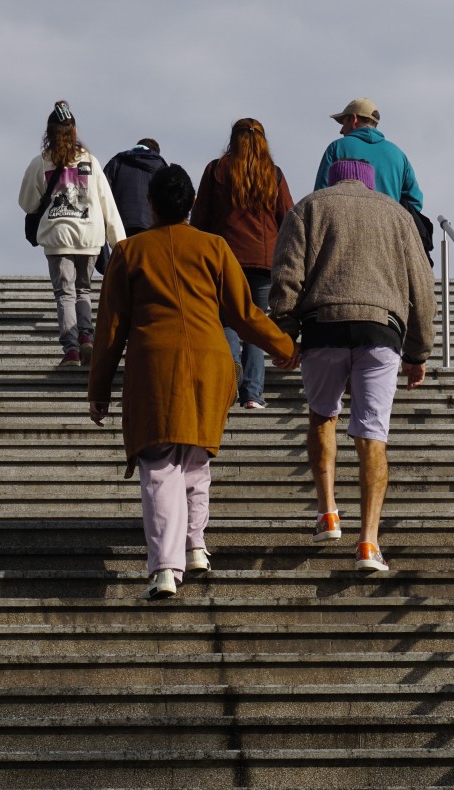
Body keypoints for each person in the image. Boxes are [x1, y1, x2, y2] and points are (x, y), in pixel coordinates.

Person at [87, 164, 299, 600]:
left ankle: (166, 568)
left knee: (160, 464)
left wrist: (99, 391)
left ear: (151, 205)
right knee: (196, 457)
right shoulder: (214, 247)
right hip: (211, 365)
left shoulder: (130, 253)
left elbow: (110, 330)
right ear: (189, 207)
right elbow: (244, 314)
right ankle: (196, 544)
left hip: (156, 368)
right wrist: (285, 347)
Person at [270, 158, 436, 572]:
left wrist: (286, 333)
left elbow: (287, 278)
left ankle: (328, 512)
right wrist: (418, 352)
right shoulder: (398, 215)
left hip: (322, 328)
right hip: (381, 332)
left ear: (332, 180)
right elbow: (423, 287)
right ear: (372, 182)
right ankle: (368, 543)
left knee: (322, 416)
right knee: (372, 433)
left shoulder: (307, 208)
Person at [192, 119, 295, 409]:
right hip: (264, 263)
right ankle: (253, 395)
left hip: (224, 260)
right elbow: (287, 218)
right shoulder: (273, 174)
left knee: (226, 321)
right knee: (257, 323)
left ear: (233, 139)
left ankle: (230, 373)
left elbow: (200, 217)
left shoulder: (216, 170)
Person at [18, 100, 124, 367]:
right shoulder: (90, 161)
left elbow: (27, 203)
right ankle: (87, 338)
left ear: (50, 133)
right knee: (83, 290)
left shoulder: (41, 163)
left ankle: (72, 350)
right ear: (74, 132)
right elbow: (106, 203)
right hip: (90, 238)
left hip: (59, 237)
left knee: (64, 293)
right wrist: (120, 243)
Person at [313, 97, 423, 212]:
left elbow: (320, 198)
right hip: (388, 227)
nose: (341, 130)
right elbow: (415, 202)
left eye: (344, 122)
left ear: (354, 119)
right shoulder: (399, 155)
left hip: (345, 227)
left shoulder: (336, 147)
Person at [103, 137, 167, 237]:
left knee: (125, 251)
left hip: (121, 224)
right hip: (150, 225)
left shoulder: (118, 161)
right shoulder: (161, 167)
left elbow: (103, 190)